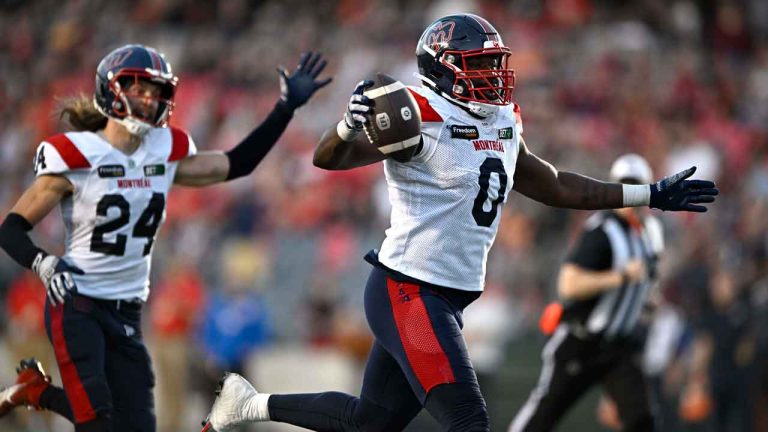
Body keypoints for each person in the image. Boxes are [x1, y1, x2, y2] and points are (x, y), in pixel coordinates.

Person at [202, 13, 718, 432]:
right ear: (445, 70)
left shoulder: (501, 118)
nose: (493, 75)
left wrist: (648, 194)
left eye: (494, 63)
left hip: (443, 295)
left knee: (370, 422)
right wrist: (345, 123)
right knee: (469, 421)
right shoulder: (416, 111)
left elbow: (557, 185)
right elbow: (328, 159)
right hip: (409, 290)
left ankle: (248, 404)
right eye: (479, 64)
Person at [0, 44, 330, 432]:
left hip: (126, 309)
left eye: (156, 90)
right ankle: (36, 392)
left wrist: (285, 108)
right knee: (99, 423)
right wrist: (44, 262)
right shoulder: (76, 153)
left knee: (136, 426)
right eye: (138, 87)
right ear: (111, 89)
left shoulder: (164, 152)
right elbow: (12, 228)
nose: (148, 97)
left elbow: (237, 163)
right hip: (79, 303)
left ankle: (35, 391)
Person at [508, 154, 665, 432]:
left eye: (636, 185)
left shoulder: (652, 232)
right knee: (543, 416)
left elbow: (649, 284)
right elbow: (568, 284)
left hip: (620, 345)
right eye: (625, 185)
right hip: (582, 342)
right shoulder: (602, 231)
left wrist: (644, 303)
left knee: (642, 421)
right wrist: (620, 276)